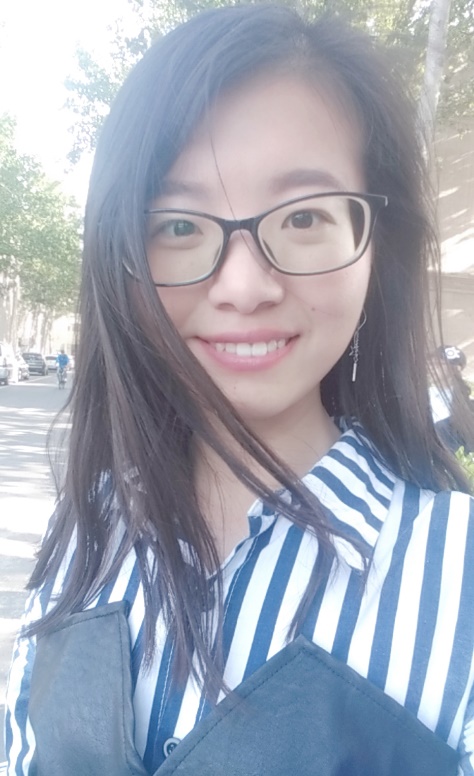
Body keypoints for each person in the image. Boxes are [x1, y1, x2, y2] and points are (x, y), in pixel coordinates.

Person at [5, 5, 474, 775]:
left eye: (305, 217)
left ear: (376, 247)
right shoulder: (89, 529)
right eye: (179, 226)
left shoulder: (458, 575)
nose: (245, 286)